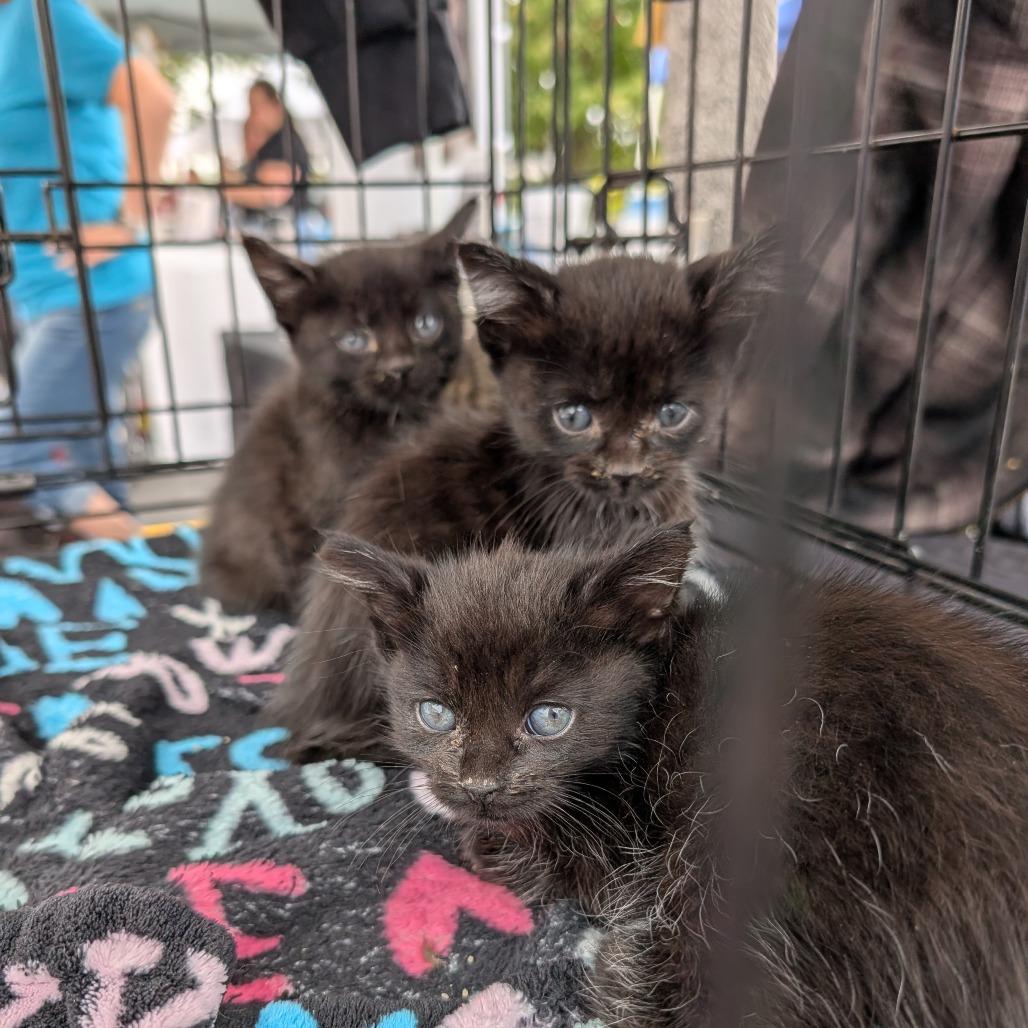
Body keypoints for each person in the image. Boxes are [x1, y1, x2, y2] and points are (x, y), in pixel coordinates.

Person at [0, 0, 174, 540]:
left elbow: (154, 98)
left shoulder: (38, 16)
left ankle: (160, 577)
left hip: (94, 293)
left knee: (21, 455)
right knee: (86, 465)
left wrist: (126, 217)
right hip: (42, 291)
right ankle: (150, 587)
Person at [222, 79, 329, 257]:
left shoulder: (287, 144)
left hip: (285, 235)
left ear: (276, 106)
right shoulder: (268, 146)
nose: (252, 116)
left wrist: (228, 187)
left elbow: (272, 193)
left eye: (257, 107)